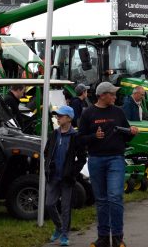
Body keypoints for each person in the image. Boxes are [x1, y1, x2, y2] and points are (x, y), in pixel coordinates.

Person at [79, 81, 139, 247]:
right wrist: (93, 137)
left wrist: (132, 132)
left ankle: (118, 237)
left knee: (115, 196)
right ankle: (103, 237)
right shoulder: (88, 113)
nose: (114, 96)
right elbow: (80, 138)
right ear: (102, 95)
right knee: (101, 199)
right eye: (112, 94)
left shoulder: (118, 112)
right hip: (96, 159)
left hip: (116, 159)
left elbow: (125, 134)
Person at [45, 106, 87, 247]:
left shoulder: (76, 136)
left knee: (65, 207)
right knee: (49, 204)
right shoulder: (54, 134)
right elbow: (47, 152)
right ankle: (58, 226)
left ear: (69, 118)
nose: (58, 118)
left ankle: (64, 234)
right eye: (57, 116)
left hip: (67, 178)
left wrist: (72, 172)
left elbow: (82, 158)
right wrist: (47, 166)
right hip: (53, 176)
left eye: (61, 116)